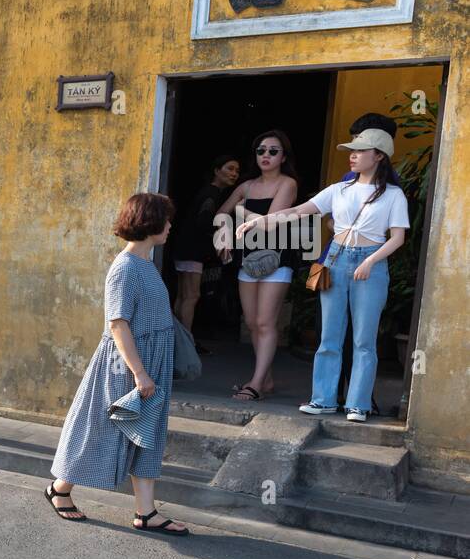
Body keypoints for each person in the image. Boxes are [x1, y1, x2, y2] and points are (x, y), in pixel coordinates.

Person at [237, 128, 408, 423]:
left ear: (379, 156)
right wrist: (262, 220)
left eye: (360, 150)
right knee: (329, 335)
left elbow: (397, 237)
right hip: (336, 260)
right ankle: (323, 399)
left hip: (370, 264)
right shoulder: (338, 189)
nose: (353, 155)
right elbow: (300, 210)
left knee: (364, 339)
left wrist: (371, 261)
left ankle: (358, 404)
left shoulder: (393, 195)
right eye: (351, 150)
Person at [46, 192, 189, 536]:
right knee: (101, 429)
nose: (170, 225)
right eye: (165, 219)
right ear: (150, 222)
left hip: (149, 362)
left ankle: (146, 512)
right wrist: (139, 372)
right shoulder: (124, 268)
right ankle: (59, 489)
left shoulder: (147, 266)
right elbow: (117, 323)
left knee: (148, 434)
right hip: (124, 365)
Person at [215, 130, 299, 402]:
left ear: (283, 156)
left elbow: (271, 221)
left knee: (265, 321)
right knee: (251, 322)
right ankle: (267, 378)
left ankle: (255, 382)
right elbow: (219, 214)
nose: (266, 155)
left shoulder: (287, 184)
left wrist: (241, 210)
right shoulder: (247, 186)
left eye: (273, 151)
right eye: (261, 150)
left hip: (277, 257)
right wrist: (224, 234)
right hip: (248, 259)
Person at [172, 154, 240, 351]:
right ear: (217, 171)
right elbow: (204, 221)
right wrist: (219, 240)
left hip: (184, 248)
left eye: (236, 170)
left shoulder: (209, 192)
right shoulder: (212, 194)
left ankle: (178, 340)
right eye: (229, 168)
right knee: (191, 296)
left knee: (183, 295)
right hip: (193, 250)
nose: (234, 173)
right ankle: (186, 344)